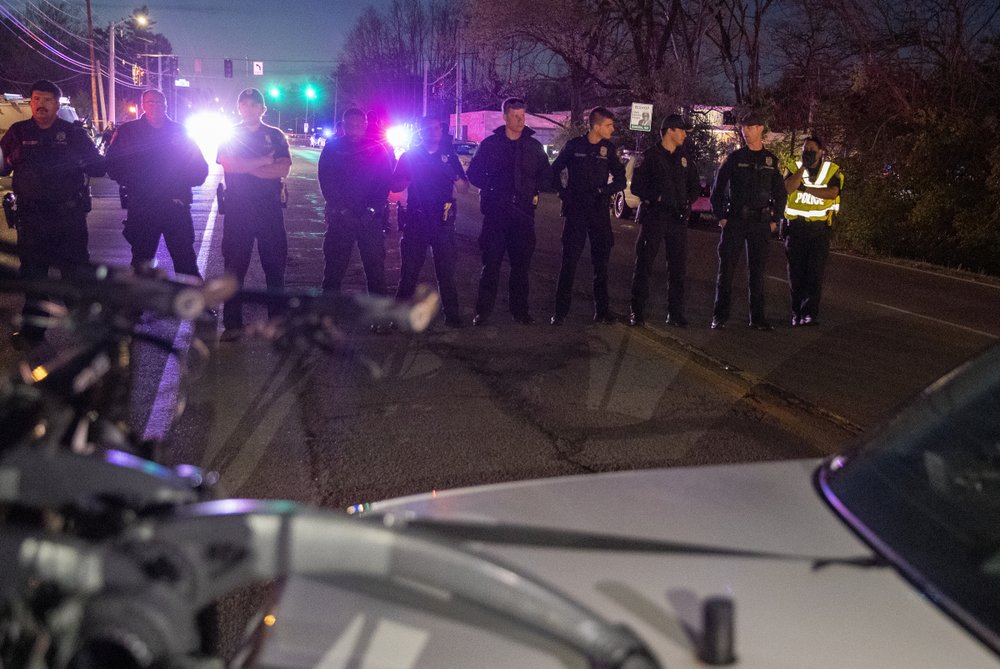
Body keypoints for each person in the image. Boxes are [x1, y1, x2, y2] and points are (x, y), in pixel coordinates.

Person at [0, 79, 105, 348]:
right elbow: (1, 166)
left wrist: (85, 160)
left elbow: (98, 168)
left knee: (74, 275)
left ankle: (84, 331)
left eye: (47, 100)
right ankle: (33, 332)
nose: (40, 105)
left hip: (67, 218)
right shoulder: (18, 132)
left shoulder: (73, 134)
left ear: (57, 105)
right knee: (34, 277)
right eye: (36, 99)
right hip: (31, 219)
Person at [215, 88, 293, 342]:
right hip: (238, 209)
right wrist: (262, 161)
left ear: (262, 109)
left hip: (269, 209)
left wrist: (247, 167)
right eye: (244, 104)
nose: (248, 109)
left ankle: (277, 322)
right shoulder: (230, 134)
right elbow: (230, 164)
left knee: (275, 268)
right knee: (234, 269)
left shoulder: (275, 135)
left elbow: (282, 169)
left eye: (254, 105)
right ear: (239, 108)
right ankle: (232, 324)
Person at [105, 89, 208, 279]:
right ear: (143, 105)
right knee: (141, 262)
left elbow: (200, 169)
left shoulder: (180, 131)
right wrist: (133, 182)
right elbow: (112, 164)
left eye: (159, 103)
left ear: (166, 106)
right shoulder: (128, 132)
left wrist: (178, 183)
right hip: (142, 206)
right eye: (150, 102)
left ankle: (195, 306)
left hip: (175, 205)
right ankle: (134, 306)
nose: (155, 107)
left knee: (185, 260)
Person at [466, 97, 550, 326]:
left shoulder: (533, 147)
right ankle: (483, 312)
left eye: (523, 115)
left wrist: (536, 187)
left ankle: (520, 311)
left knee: (521, 267)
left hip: (523, 215)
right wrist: (493, 188)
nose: (521, 120)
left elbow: (546, 176)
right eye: (515, 116)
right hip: (496, 215)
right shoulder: (490, 144)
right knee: (490, 265)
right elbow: (474, 175)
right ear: (505, 117)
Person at [709, 112, 787, 331]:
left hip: (760, 223)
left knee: (757, 273)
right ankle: (720, 316)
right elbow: (718, 188)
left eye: (750, 128)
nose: (746, 132)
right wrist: (721, 216)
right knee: (727, 271)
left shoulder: (770, 161)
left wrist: (775, 218)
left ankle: (757, 318)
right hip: (735, 220)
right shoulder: (735, 158)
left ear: (760, 129)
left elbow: (780, 193)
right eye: (743, 128)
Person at [549, 107, 626, 325]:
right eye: (609, 125)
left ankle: (602, 311)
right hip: (576, 212)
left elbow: (620, 179)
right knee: (569, 263)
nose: (612, 129)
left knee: (601, 265)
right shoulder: (574, 146)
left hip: (599, 211)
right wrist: (563, 193)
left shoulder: (608, 149)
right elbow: (555, 170)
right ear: (597, 126)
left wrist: (604, 191)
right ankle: (560, 312)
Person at [391, 117, 469, 327]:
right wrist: (404, 177)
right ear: (420, 131)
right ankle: (397, 317)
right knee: (408, 274)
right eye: (430, 128)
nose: (434, 131)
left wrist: (452, 175)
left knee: (446, 274)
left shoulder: (449, 157)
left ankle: (452, 317)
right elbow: (395, 186)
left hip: (442, 223)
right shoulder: (410, 156)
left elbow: (463, 188)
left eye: (437, 128)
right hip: (416, 220)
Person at [627, 114, 701, 328]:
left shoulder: (685, 158)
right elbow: (637, 187)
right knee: (644, 264)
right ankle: (637, 311)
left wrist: (688, 201)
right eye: (682, 131)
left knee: (678, 268)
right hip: (655, 217)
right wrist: (658, 196)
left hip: (677, 220)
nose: (685, 135)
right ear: (670, 131)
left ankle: (675, 313)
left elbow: (694, 186)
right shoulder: (649, 156)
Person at [318, 107, 393, 300]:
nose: (354, 129)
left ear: (365, 126)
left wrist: (372, 209)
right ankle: (327, 314)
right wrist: (341, 209)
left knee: (375, 269)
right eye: (349, 125)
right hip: (340, 219)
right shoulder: (333, 148)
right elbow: (326, 182)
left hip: (370, 219)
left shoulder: (377, 148)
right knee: (334, 268)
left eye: (358, 125)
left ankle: (379, 317)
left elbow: (384, 183)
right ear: (343, 126)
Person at [782, 136, 842, 327]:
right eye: (805, 149)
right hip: (796, 230)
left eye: (811, 150)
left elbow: (832, 193)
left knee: (814, 275)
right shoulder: (794, 167)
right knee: (796, 275)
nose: (807, 152)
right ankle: (796, 313)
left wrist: (806, 188)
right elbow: (788, 188)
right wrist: (802, 169)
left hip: (818, 232)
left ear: (821, 151)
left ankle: (809, 314)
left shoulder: (831, 170)